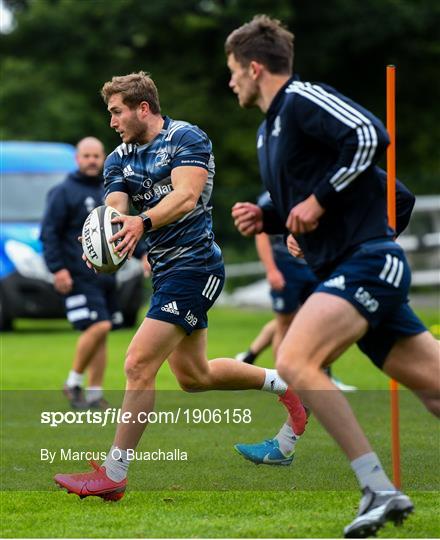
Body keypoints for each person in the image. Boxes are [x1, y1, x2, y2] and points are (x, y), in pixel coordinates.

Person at [226, 15, 439, 538]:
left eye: (232, 71)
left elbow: (370, 134)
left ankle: (377, 489)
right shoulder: (267, 131)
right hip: (350, 267)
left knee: (295, 359)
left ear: (256, 67)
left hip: (367, 261)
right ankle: (378, 490)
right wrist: (270, 218)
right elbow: (305, 198)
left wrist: (318, 203)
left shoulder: (302, 99)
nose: (230, 82)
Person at [53, 71, 308, 501]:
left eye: (116, 112)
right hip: (167, 272)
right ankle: (286, 386)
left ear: (143, 108)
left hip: (197, 265)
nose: (112, 122)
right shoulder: (118, 159)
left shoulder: (187, 138)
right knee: (194, 376)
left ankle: (114, 474)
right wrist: (104, 239)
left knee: (137, 363)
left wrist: (142, 221)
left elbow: (187, 196)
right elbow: (115, 208)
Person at [41, 137, 123, 409]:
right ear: (77, 159)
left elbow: (118, 228)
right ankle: (73, 382)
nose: (91, 160)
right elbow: (49, 234)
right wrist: (58, 269)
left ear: (103, 158)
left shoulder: (109, 191)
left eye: (96, 156)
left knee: (101, 333)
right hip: (77, 276)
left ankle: (94, 394)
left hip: (106, 276)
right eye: (86, 156)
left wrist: (143, 252)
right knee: (99, 326)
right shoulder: (63, 191)